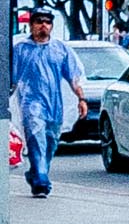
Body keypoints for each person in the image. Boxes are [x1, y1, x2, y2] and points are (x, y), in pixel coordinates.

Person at [12, 13, 90, 198]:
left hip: (54, 105)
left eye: (48, 22)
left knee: (50, 142)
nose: (44, 26)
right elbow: (12, 79)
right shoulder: (20, 49)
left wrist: (81, 99)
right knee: (36, 138)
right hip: (31, 103)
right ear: (31, 25)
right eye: (39, 22)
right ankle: (41, 183)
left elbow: (73, 77)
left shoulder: (60, 49)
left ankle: (37, 173)